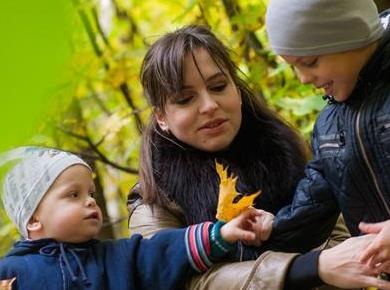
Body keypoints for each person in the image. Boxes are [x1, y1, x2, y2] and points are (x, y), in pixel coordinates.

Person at [127, 25, 390, 289]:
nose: (209, 106)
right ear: (161, 117)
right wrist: (312, 267)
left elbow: (339, 234)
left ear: (237, 89)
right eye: (185, 99)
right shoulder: (154, 198)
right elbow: (177, 280)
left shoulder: (288, 152)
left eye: (218, 86)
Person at [0, 147, 266, 290]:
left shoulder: (117, 258)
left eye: (90, 193)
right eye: (73, 194)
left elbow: (163, 252)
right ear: (34, 219)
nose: (90, 200)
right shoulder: (10, 273)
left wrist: (221, 234)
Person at [265, 0, 390, 282]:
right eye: (294, 67)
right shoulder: (329, 125)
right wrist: (271, 229)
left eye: (309, 62)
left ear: (349, 32)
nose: (304, 78)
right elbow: (313, 204)